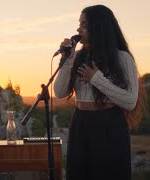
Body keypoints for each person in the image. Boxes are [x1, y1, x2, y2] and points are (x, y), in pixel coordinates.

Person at [54, 5, 146, 180]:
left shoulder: (123, 58)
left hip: (109, 125)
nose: (78, 29)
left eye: (84, 24)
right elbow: (59, 92)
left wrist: (97, 79)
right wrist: (67, 59)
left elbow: (130, 101)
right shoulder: (78, 57)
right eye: (79, 23)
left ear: (99, 27)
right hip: (80, 124)